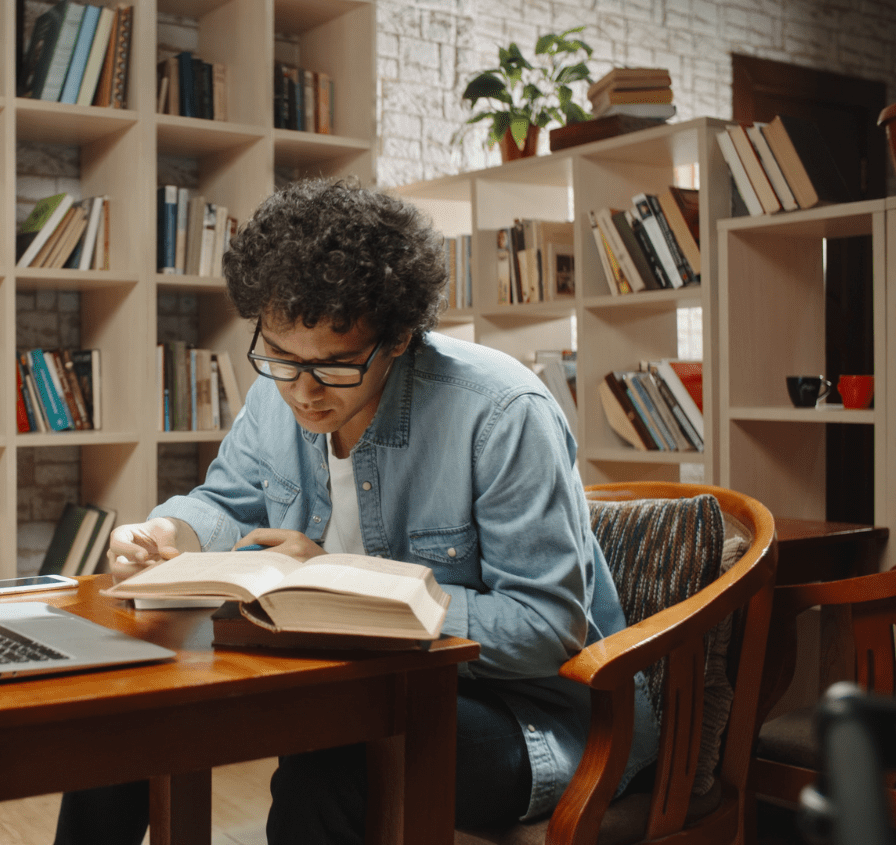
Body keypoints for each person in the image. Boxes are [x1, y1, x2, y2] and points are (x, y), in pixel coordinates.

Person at [53, 177, 658, 845]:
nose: (303, 392)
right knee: (122, 717)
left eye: (336, 366)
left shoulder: (503, 413)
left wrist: (343, 580)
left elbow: (545, 628)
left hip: (535, 719)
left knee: (333, 761)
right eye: (281, 356)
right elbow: (224, 500)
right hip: (360, 687)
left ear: (398, 337)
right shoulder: (273, 395)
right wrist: (168, 530)